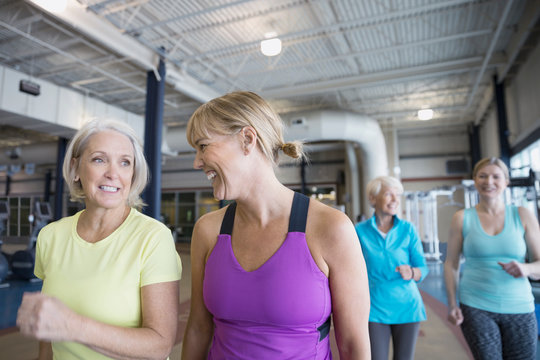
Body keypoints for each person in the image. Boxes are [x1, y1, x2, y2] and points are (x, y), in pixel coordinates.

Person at [181, 91, 371, 359]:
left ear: (247, 139)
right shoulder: (208, 230)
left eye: (203, 146)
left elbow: (352, 344)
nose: (197, 162)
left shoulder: (330, 228)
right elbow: (198, 330)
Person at [16, 119, 182, 360]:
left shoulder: (153, 238)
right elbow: (48, 338)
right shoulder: (51, 236)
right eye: (99, 159)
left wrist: (73, 326)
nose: (113, 174)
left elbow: (159, 346)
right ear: (75, 168)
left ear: (133, 173)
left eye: (125, 162)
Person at [444, 157, 540, 360]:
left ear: (506, 182)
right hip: (476, 306)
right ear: (475, 180)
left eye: (496, 176)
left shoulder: (522, 215)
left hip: (520, 306)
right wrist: (452, 304)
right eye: (483, 176)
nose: (489, 182)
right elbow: (451, 264)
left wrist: (526, 268)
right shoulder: (462, 218)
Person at [355, 175, 429, 360]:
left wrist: (411, 272)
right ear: (373, 199)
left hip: (407, 307)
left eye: (398, 195)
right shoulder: (358, 231)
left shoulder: (408, 229)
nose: (395, 200)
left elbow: (423, 268)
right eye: (389, 194)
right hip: (374, 308)